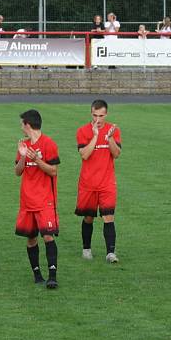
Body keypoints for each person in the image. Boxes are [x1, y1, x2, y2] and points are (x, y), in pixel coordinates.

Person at [15, 109, 60, 289]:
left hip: (45, 200)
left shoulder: (49, 144)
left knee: (48, 236)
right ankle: (37, 275)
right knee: (31, 239)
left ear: (28, 124)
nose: (21, 127)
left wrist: (37, 160)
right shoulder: (23, 145)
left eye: (22, 124)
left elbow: (53, 171)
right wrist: (24, 156)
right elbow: (17, 172)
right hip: (27, 201)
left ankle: (52, 276)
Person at [75, 100, 121, 263]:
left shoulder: (113, 130)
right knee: (88, 217)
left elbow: (116, 154)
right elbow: (85, 154)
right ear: (91, 113)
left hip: (107, 183)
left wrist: (109, 139)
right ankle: (86, 248)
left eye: (101, 116)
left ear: (106, 114)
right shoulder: (82, 131)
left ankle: (110, 253)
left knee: (108, 216)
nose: (98, 119)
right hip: (88, 183)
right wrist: (95, 135)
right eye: (95, 115)